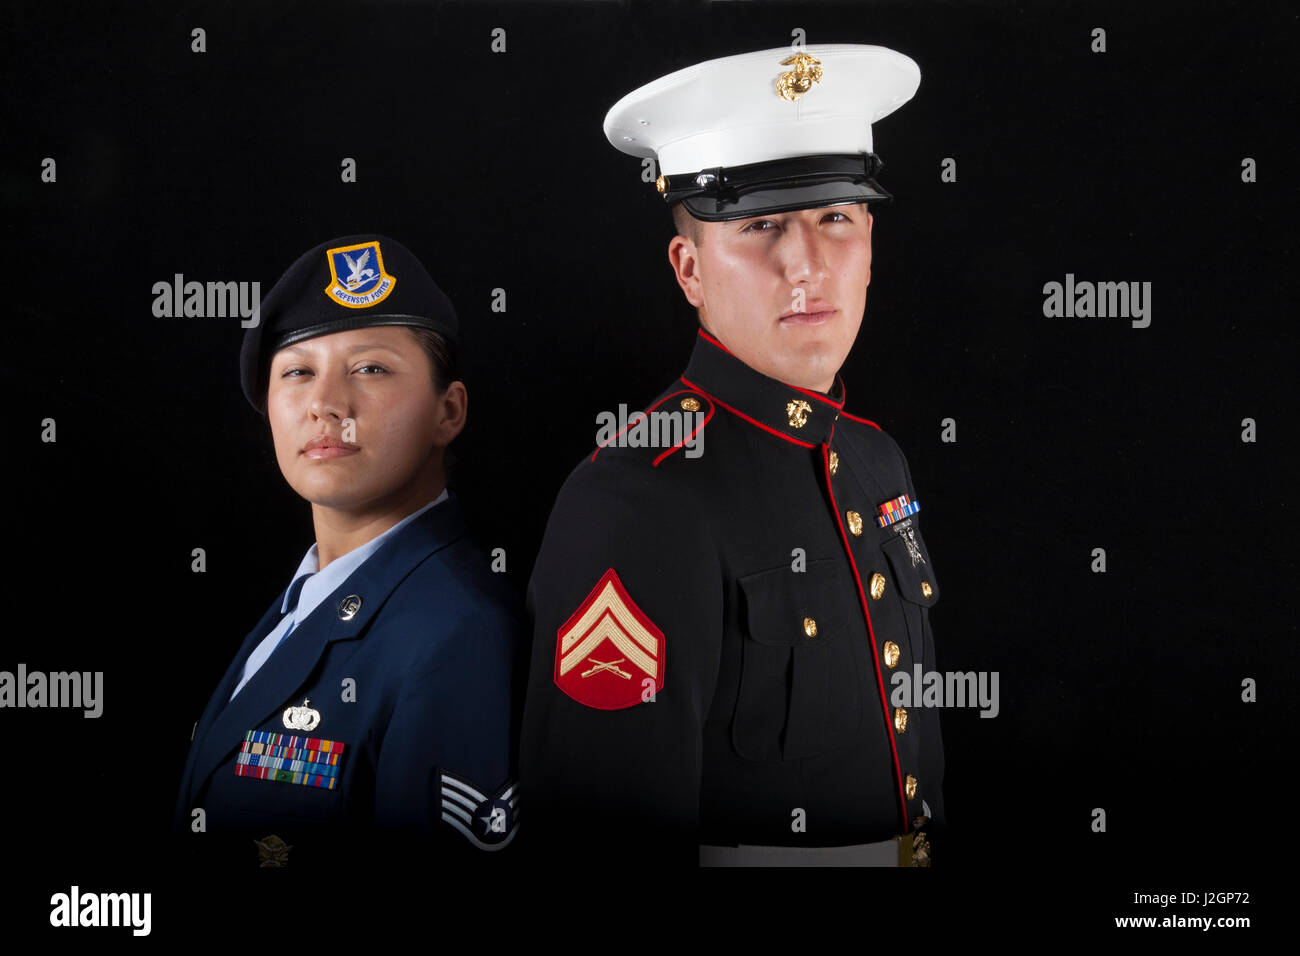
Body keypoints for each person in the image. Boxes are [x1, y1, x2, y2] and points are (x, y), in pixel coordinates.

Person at [520, 45, 945, 866]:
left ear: (870, 244)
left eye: (836, 218)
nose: (807, 265)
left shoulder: (873, 459)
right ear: (690, 270)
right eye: (760, 227)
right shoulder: (634, 497)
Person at [174, 234, 521, 865]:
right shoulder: (305, 602)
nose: (326, 406)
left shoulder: (458, 635)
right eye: (298, 371)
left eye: (370, 368)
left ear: (449, 411)